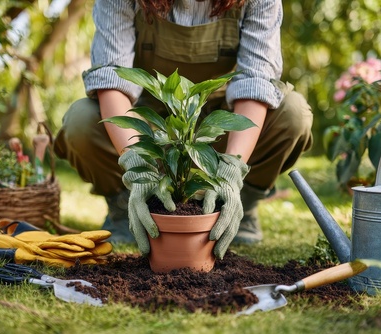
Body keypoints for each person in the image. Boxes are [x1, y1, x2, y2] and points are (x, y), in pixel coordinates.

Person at [54, 0, 313, 259]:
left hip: (218, 128)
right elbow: (113, 79)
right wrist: (138, 166)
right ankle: (124, 207)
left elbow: (255, 83)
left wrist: (231, 170)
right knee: (81, 120)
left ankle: (237, 203)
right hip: (152, 129)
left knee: (293, 113)